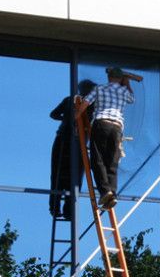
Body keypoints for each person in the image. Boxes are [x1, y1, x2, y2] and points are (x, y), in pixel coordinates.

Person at [75, 66, 143, 209]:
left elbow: (86, 103)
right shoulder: (124, 91)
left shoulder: (100, 89)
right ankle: (112, 192)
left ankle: (105, 191)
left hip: (101, 123)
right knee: (112, 161)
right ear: (120, 78)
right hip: (117, 127)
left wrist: (77, 116)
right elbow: (131, 99)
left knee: (97, 158)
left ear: (109, 77)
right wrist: (127, 82)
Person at [49, 79, 97, 219]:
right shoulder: (91, 105)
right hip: (78, 142)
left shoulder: (70, 100)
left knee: (57, 174)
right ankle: (68, 210)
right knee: (75, 178)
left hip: (63, 139)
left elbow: (53, 114)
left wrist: (66, 118)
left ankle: (55, 207)